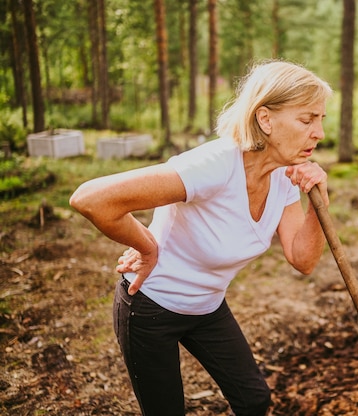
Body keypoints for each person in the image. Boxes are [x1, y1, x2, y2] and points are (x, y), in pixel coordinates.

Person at [69, 60, 333, 416]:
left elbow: (302, 259)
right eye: (307, 119)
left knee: (254, 400)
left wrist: (318, 203)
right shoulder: (216, 164)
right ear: (265, 119)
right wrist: (148, 245)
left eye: (321, 120)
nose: (318, 132)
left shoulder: (285, 176)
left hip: (207, 308)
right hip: (150, 307)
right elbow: (91, 199)